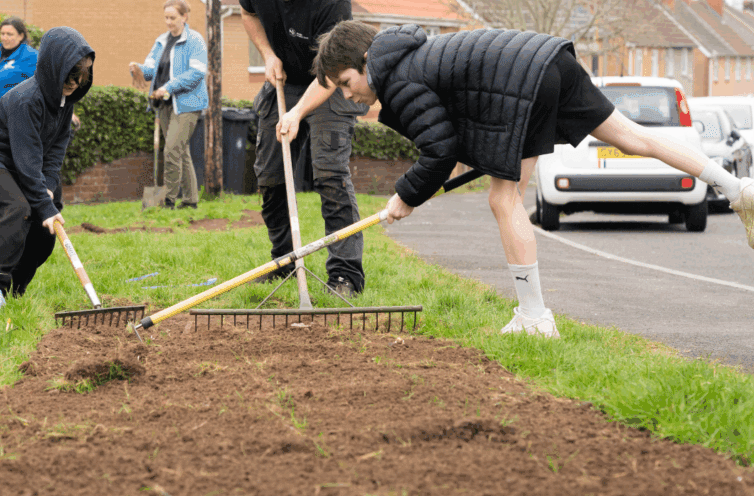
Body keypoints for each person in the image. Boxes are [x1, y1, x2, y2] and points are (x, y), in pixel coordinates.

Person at [312, 21, 754, 337]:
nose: (350, 95)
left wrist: (405, 196)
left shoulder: (400, 79)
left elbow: (440, 150)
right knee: (634, 136)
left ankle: (535, 316)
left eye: (347, 82)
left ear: (366, 60)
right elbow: (460, 124)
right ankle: (737, 189)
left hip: (524, 83)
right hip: (547, 59)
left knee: (504, 199)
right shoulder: (411, 55)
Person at [239, 0, 368, 297]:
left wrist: (296, 113)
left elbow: (331, 74)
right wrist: (267, 54)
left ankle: (345, 274)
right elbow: (247, 14)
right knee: (270, 174)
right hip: (285, 80)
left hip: (328, 82)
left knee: (330, 173)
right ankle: (283, 262)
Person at [0, 27, 94, 311]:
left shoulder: (65, 102)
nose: (74, 85)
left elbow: (55, 150)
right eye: (70, 78)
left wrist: (46, 185)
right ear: (53, 67)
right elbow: (25, 158)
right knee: (17, 209)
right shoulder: (26, 99)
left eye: (81, 79)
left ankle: (14, 288)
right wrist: (41, 200)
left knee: (47, 228)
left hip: (25, 162)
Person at [129, 0, 208, 210]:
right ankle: (191, 201)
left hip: (188, 103)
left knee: (172, 149)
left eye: (173, 17)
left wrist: (169, 87)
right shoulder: (161, 41)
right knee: (181, 152)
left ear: (185, 17)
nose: (169, 22)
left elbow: (197, 73)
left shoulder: (194, 40)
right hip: (164, 103)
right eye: (166, 17)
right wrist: (137, 68)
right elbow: (150, 69)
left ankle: (169, 201)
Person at [0, 16, 38, 112]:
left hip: (11, 116)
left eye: (9, 34)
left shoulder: (31, 56)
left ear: (21, 36)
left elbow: (43, 84)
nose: (5, 38)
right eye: (2, 34)